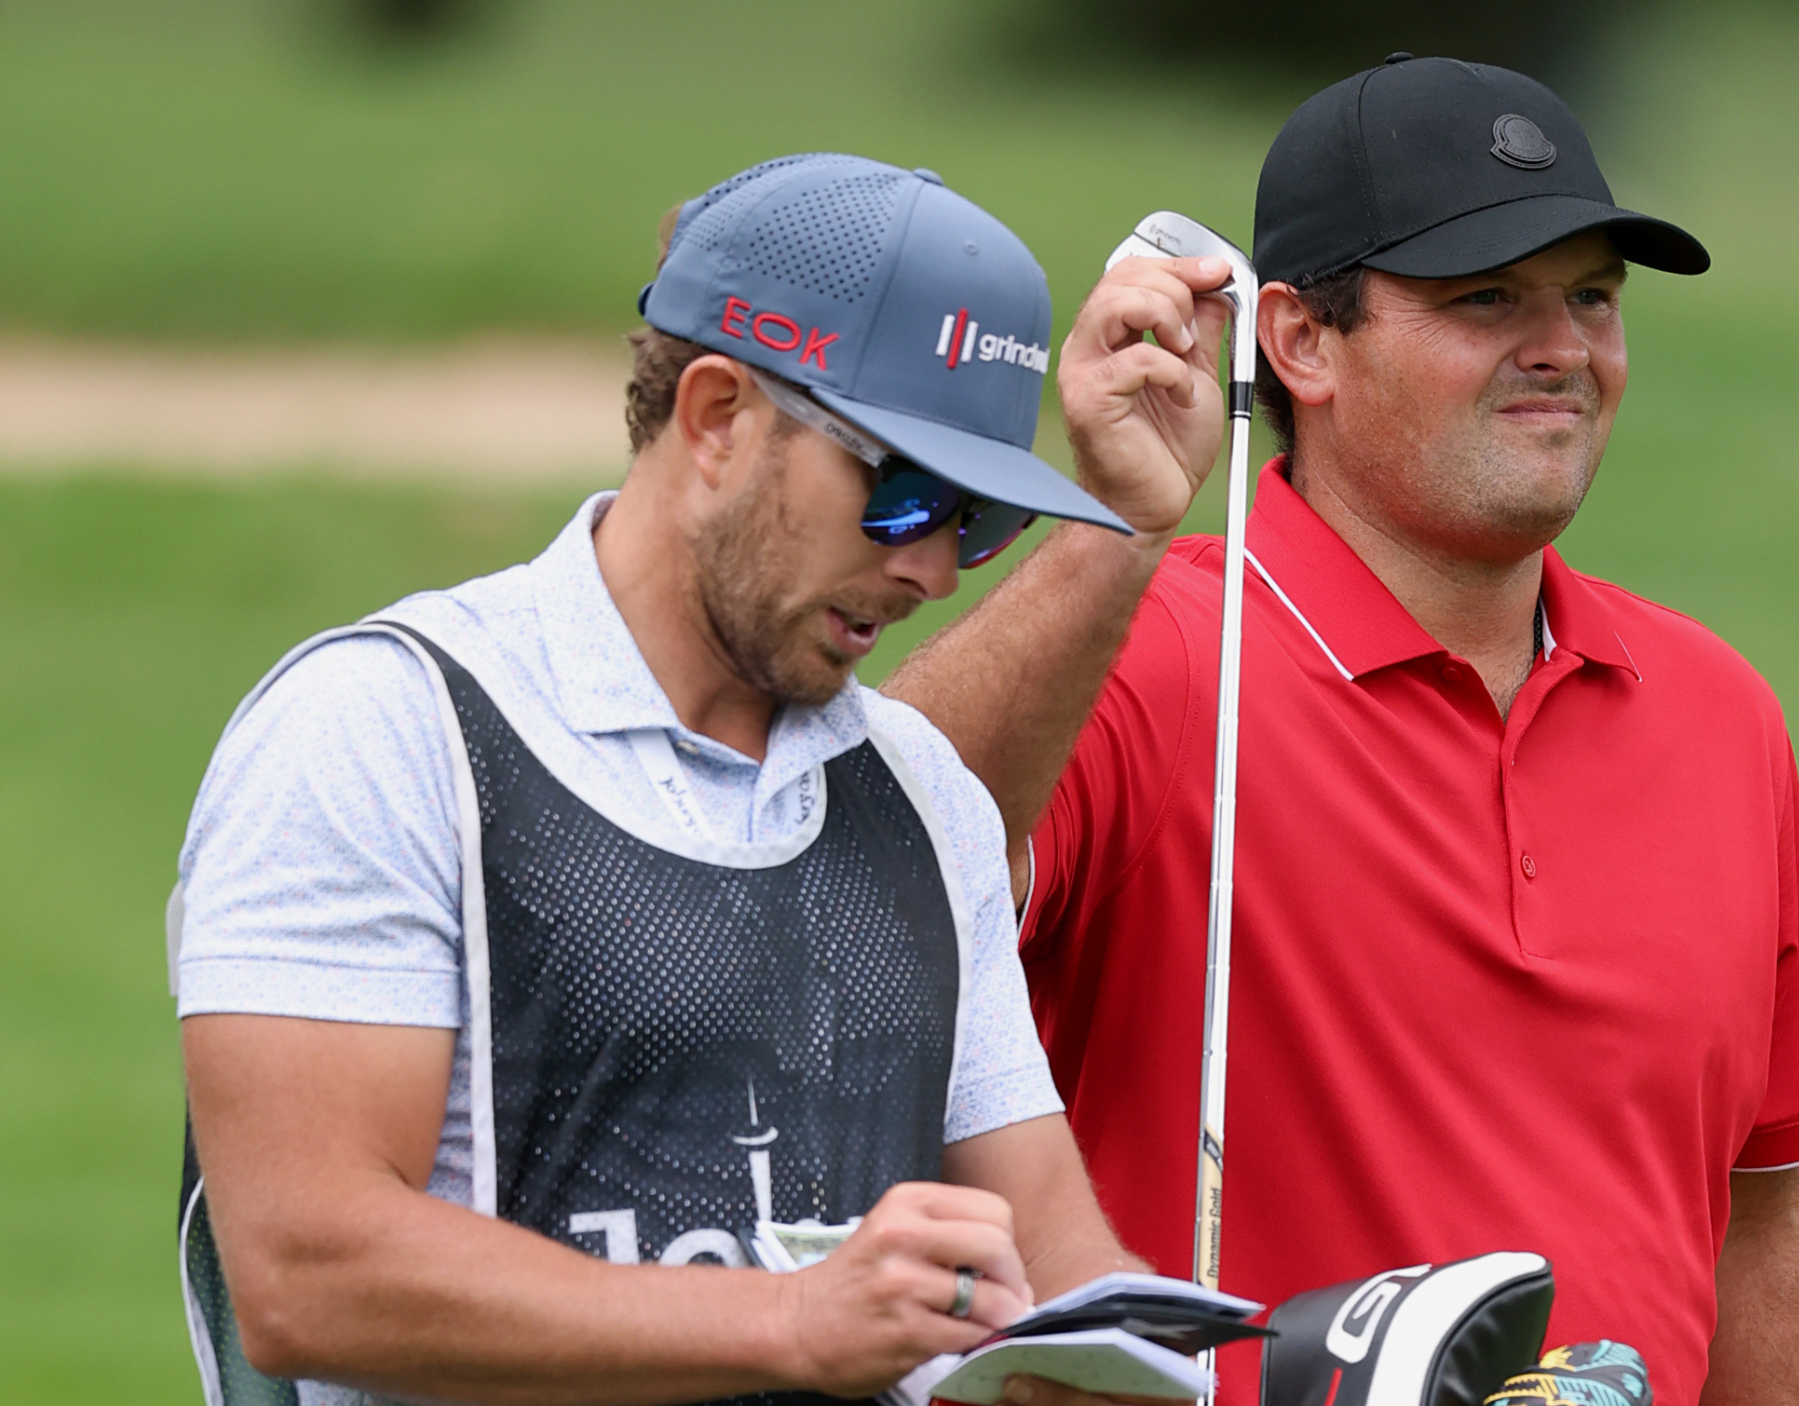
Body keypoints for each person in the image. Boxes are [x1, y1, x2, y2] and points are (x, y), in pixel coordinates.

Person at [886, 57, 1799, 1405]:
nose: (1564, 347)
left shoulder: (1720, 710)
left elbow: (1762, 1214)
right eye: (1484, 299)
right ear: (1298, 340)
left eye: (1591, 296)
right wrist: (1110, 537)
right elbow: (852, 858)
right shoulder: (1157, 652)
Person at [170, 154, 1157, 1406]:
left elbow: (1051, 1260)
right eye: (905, 495)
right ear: (716, 415)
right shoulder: (382, 724)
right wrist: (790, 1318)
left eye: (978, 517)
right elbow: (308, 1269)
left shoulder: (920, 790)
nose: (936, 572)